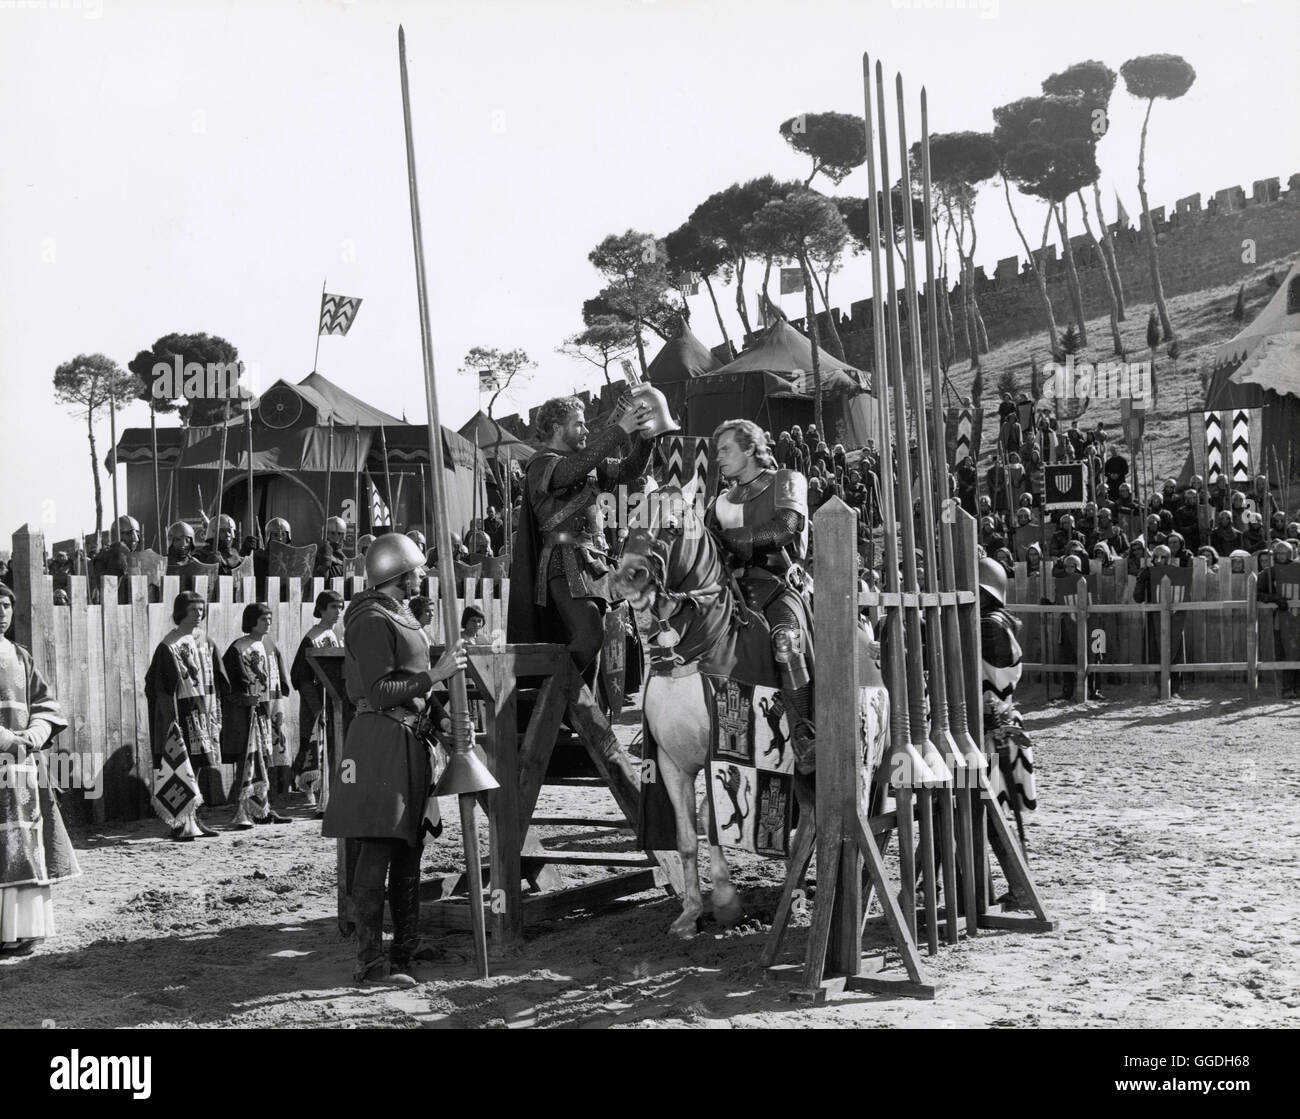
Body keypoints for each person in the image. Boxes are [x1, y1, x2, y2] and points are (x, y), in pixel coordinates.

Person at [323, 533, 467, 985]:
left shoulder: (401, 613)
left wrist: (441, 720)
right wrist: (436, 674)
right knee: (379, 847)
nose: (423, 575)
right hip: (381, 741)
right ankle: (370, 961)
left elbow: (416, 683)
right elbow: (382, 691)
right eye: (417, 569)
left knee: (409, 847)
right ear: (397, 573)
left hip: (411, 737)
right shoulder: (368, 619)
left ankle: (405, 949)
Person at [507, 394, 656, 761]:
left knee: (593, 640)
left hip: (593, 562)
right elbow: (570, 472)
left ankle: (571, 716)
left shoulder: (585, 462)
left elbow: (629, 470)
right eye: (579, 423)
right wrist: (619, 428)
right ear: (557, 429)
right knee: (589, 634)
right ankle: (553, 709)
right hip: (562, 561)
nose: (585, 429)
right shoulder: (542, 464)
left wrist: (646, 435)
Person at [707, 419, 816, 770]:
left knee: (785, 641)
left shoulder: (787, 480)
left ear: (751, 447)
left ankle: (803, 731)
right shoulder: (720, 500)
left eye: (726, 449)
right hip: (730, 591)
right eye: (717, 450)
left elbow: (783, 529)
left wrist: (728, 540)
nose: (718, 456)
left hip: (776, 585)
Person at [0, 582, 79, 954]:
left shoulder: (20, 655)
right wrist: (5, 739)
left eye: (6, 605)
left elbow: (44, 702)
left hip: (22, 765)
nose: (2, 611)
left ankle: (23, 929)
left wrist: (35, 731)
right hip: (3, 751)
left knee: (24, 841)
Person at [144, 591, 228, 840]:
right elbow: (159, 688)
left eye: (201, 610)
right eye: (193, 610)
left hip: (203, 710)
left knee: (199, 764)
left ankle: (193, 818)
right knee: (181, 764)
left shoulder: (206, 641)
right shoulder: (168, 645)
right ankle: (180, 821)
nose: (199, 614)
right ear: (181, 612)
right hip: (181, 713)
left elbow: (219, 677)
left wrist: (215, 709)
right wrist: (171, 722)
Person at [977, 557, 1037, 856]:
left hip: (987, 735)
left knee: (982, 808)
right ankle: (932, 882)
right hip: (985, 731)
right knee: (963, 805)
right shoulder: (996, 621)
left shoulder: (989, 625)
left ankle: (1017, 883)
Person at [221, 603, 292, 828]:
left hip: (266, 709)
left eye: (270, 618)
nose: (268, 623)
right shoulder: (238, 648)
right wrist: (244, 699)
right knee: (247, 759)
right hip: (245, 713)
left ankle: (263, 809)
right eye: (263, 619)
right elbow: (227, 686)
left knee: (265, 758)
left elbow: (279, 678)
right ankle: (243, 810)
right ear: (252, 621)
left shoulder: (269, 644)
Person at [290, 590, 343, 812]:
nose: (338, 612)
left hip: (336, 699)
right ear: (321, 609)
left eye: (340, 607)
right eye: (333, 607)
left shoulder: (336, 635)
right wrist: (317, 708)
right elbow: (301, 678)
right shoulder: (312, 637)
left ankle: (333, 792)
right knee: (313, 744)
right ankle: (310, 792)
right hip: (318, 699)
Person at [1258, 540, 1300, 697]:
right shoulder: (1270, 572)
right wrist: (1273, 597)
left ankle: (1298, 687)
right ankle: (1287, 689)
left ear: (1290, 554)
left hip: (1298, 617)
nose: (1281, 556)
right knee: (1286, 653)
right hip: (1281, 620)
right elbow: (1257, 592)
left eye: (1284, 553)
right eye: (1278, 553)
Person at [90, 514, 141, 579]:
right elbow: (109, 582)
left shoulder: (135, 557)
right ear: (118, 534)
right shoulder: (105, 557)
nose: (135, 538)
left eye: (136, 533)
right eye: (129, 533)